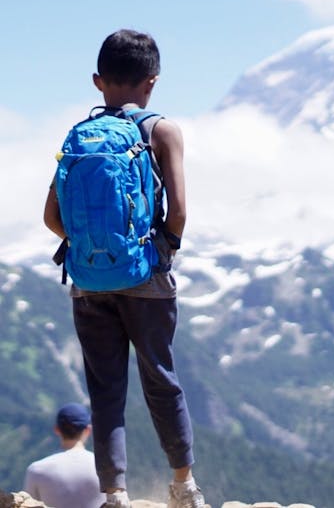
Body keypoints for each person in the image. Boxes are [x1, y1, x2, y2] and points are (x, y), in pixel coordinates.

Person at [43, 29, 205, 508]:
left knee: (105, 388)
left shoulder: (79, 135)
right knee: (162, 381)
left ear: (98, 81)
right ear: (152, 82)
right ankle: (183, 486)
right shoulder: (161, 130)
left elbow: (52, 216)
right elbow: (177, 211)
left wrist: (90, 250)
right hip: (146, 280)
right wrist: (160, 253)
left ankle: (114, 493)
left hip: (88, 281)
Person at [24, 402, 104, 508]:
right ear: (88, 430)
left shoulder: (36, 470)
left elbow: (27, 504)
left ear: (57, 430)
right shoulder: (104, 466)